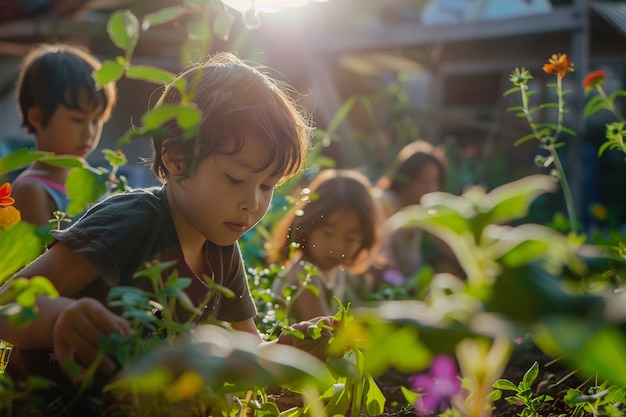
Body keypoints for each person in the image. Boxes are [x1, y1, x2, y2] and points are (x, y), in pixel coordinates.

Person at [0, 52, 333, 413]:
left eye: (267, 186)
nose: (251, 203)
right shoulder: (131, 222)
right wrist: (59, 318)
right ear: (177, 160)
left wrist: (290, 348)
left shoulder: (221, 249)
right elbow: (8, 304)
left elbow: (245, 351)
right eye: (235, 179)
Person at [11, 43, 117, 228]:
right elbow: (42, 256)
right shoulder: (31, 190)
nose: (89, 133)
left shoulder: (96, 179)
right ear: (38, 117)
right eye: (77, 120)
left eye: (96, 120)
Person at [268, 168, 379, 322]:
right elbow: (326, 338)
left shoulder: (334, 271)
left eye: (350, 238)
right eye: (328, 233)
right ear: (308, 225)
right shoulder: (306, 276)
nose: (337, 246)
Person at [371, 139, 457, 286]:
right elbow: (381, 261)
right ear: (406, 178)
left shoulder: (417, 212)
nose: (430, 189)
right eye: (423, 181)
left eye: (434, 183)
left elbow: (447, 247)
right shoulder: (383, 205)